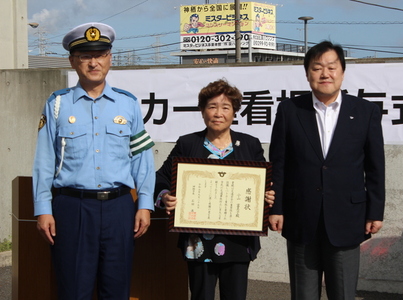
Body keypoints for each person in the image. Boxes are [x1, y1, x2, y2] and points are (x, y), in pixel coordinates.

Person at [32, 22, 156, 300]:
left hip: (119, 209)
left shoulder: (128, 104)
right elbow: (44, 161)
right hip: (71, 208)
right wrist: (43, 208)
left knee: (117, 289)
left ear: (110, 58)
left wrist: (145, 204)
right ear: (73, 61)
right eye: (86, 56)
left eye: (100, 54)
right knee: (74, 289)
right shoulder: (57, 104)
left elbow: (142, 157)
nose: (93, 62)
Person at [269, 41, 385, 300]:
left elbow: (375, 167)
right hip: (301, 216)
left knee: (343, 293)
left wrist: (375, 211)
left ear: (342, 72)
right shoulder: (290, 110)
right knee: (303, 294)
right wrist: (276, 207)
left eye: (332, 67)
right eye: (317, 68)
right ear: (307, 73)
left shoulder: (365, 111)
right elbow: (279, 162)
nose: (325, 74)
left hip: (348, 217)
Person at [154, 79, 275, 300]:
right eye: (212, 106)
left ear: (235, 112)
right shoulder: (188, 144)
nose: (218, 113)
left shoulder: (250, 145)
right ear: (202, 111)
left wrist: (267, 195)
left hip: (238, 240)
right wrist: (165, 196)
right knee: (201, 295)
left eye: (226, 107)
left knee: (235, 296)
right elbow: (160, 178)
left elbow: (265, 183)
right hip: (198, 241)